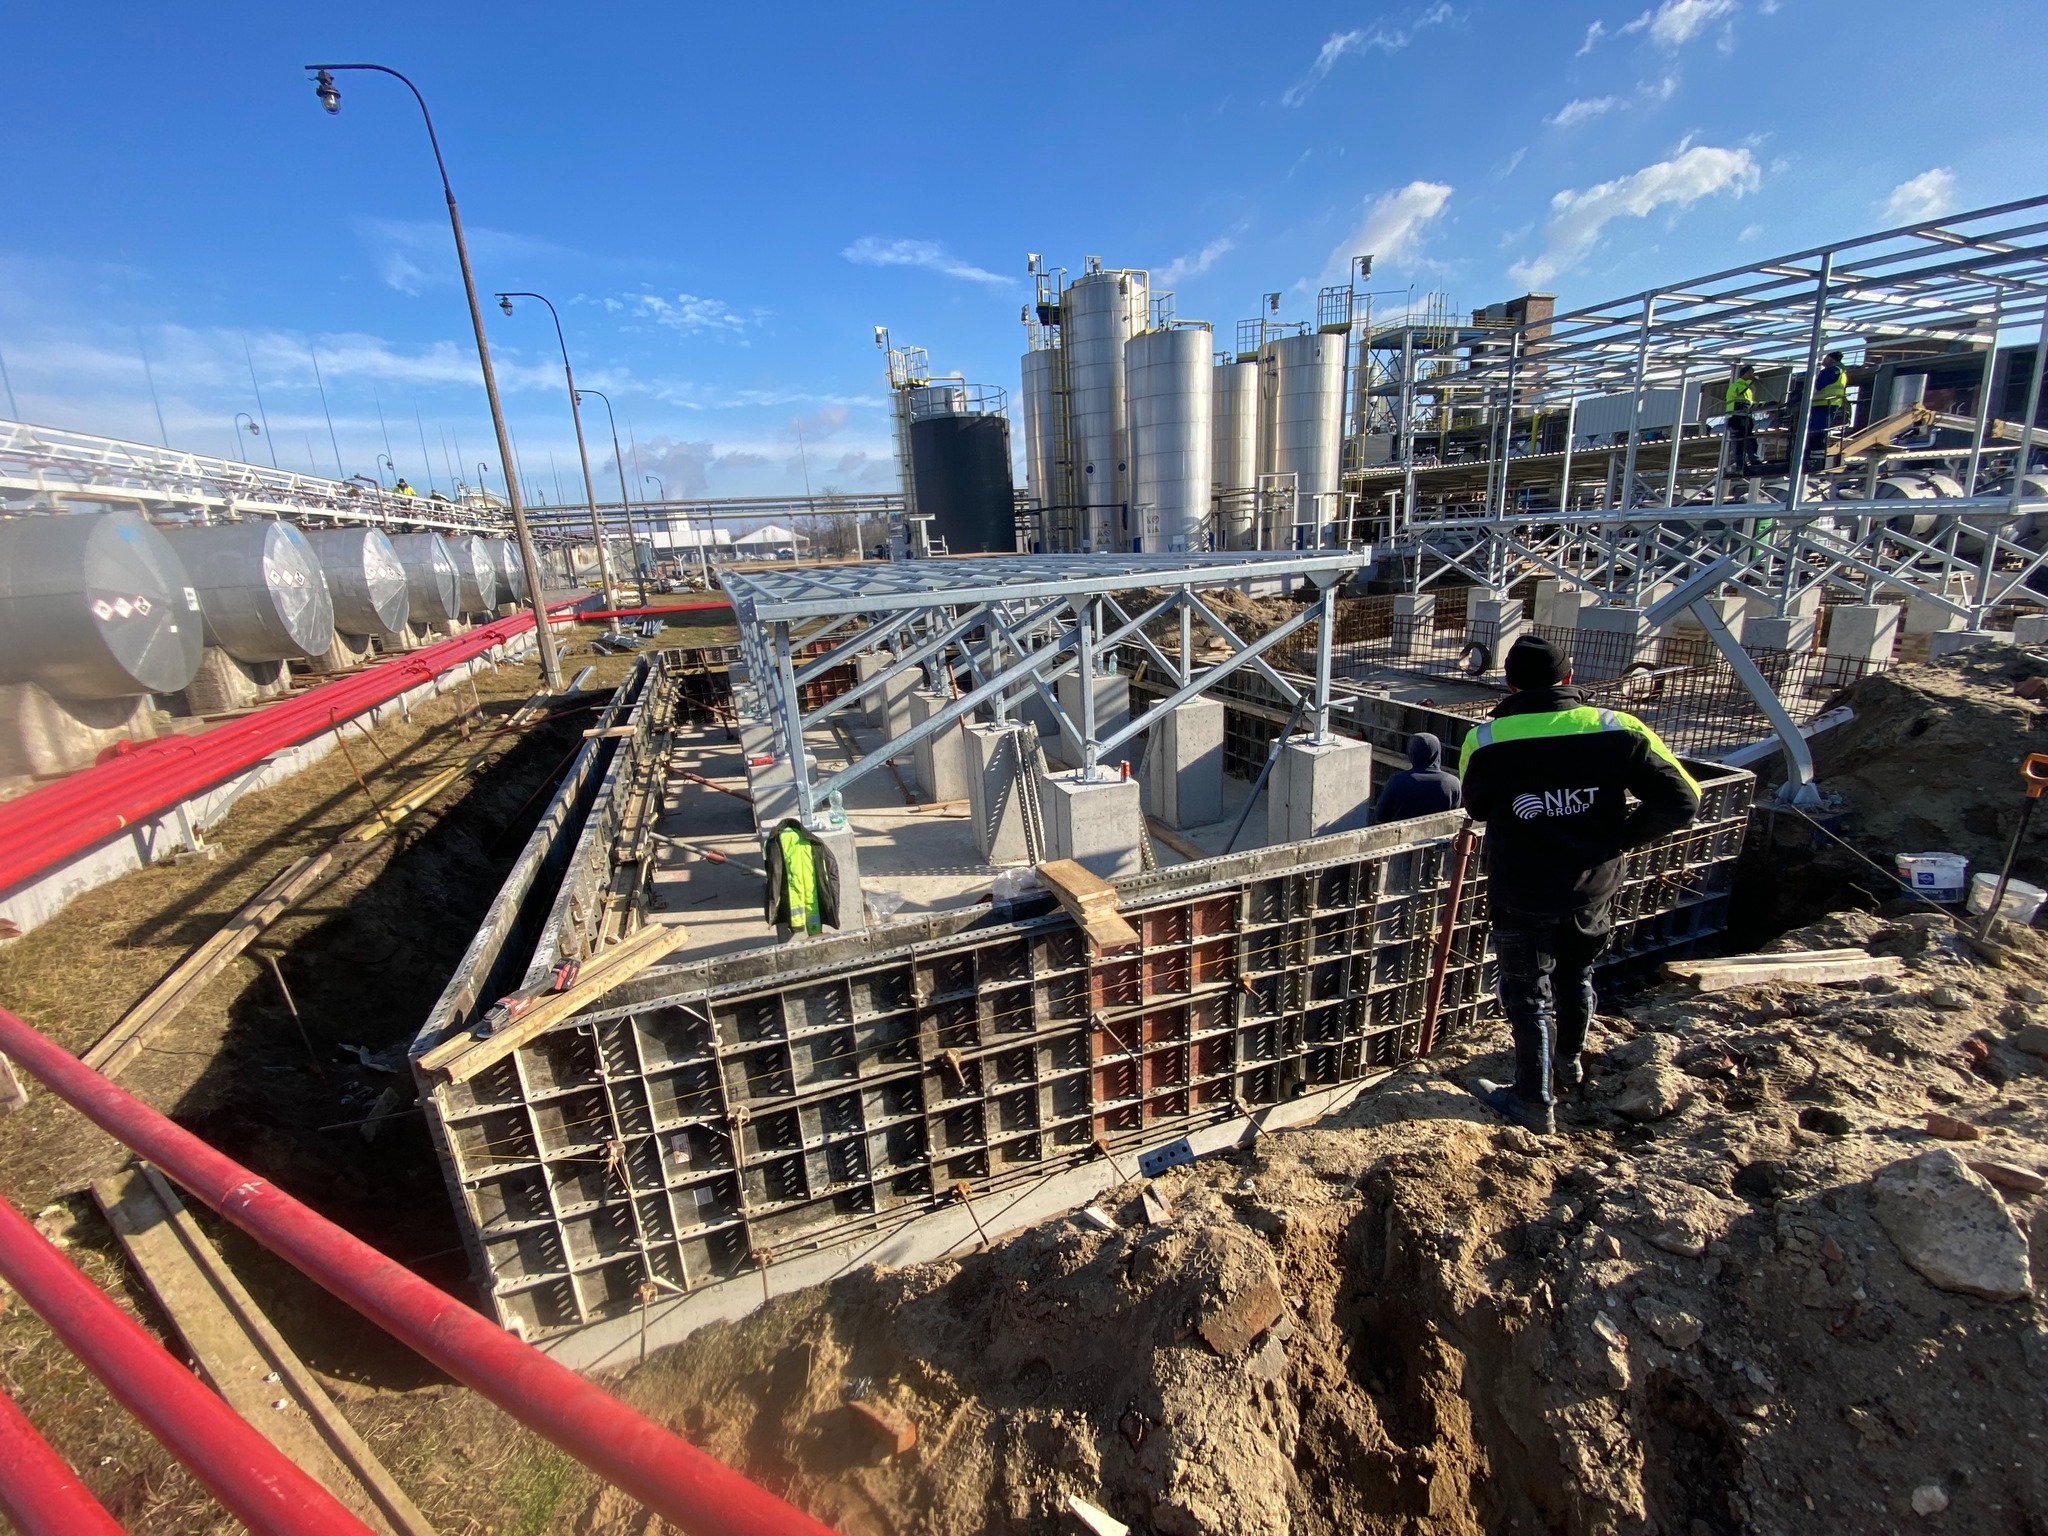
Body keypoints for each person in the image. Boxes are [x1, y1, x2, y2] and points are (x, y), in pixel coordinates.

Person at [1457, 635, 1700, 1134]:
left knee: (1528, 994)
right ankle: (1568, 1062)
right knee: (1577, 974)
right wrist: (1618, 838)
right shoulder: (1619, 728)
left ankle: (1532, 1099)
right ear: (1568, 678)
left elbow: (1476, 807)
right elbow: (1683, 799)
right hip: (1592, 886)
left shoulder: (1485, 740)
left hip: (1522, 889)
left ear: (1510, 684)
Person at [1372, 732, 1462, 823]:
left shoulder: (1397, 780)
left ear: (1411, 752)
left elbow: (1380, 815)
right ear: (1437, 752)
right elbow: (1456, 817)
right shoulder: (1453, 783)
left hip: (1403, 831)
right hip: (1439, 832)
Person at [1807, 350, 1850, 468]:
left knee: (1818, 429)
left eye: (1825, 358)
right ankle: (1816, 453)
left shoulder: (1832, 370)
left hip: (1823, 403)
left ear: (1831, 359)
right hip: (1829, 403)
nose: (1823, 360)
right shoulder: (1841, 372)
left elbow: (1818, 385)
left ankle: (1816, 454)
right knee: (1821, 429)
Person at [1723, 363, 1762, 475]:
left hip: (1745, 418)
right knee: (1740, 441)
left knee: (1750, 440)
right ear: (1744, 374)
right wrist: (1750, 383)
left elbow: (1750, 403)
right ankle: (1741, 463)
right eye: (1750, 373)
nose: (1752, 375)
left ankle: (1753, 460)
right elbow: (1739, 392)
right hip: (1735, 418)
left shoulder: (1748, 389)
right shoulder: (1736, 385)